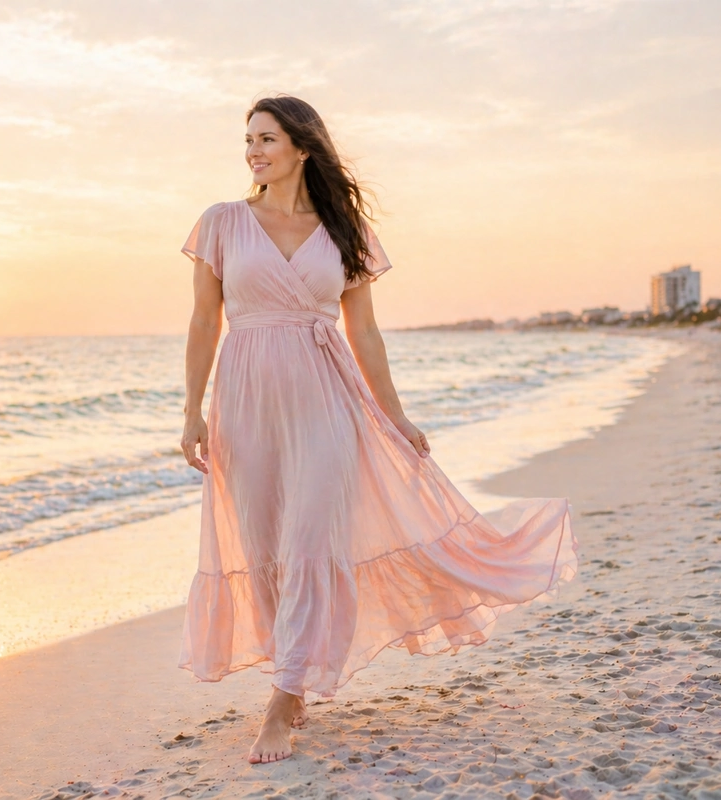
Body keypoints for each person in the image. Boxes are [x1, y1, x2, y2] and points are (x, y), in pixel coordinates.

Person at [177, 95, 578, 764]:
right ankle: (296, 672)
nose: (252, 150)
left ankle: (281, 702)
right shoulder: (221, 222)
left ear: (302, 147)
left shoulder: (344, 229)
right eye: (248, 139)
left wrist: (394, 415)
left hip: (327, 401)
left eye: (267, 138)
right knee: (264, 544)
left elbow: (363, 331)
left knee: (309, 539)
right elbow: (201, 323)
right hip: (245, 403)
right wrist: (191, 410)